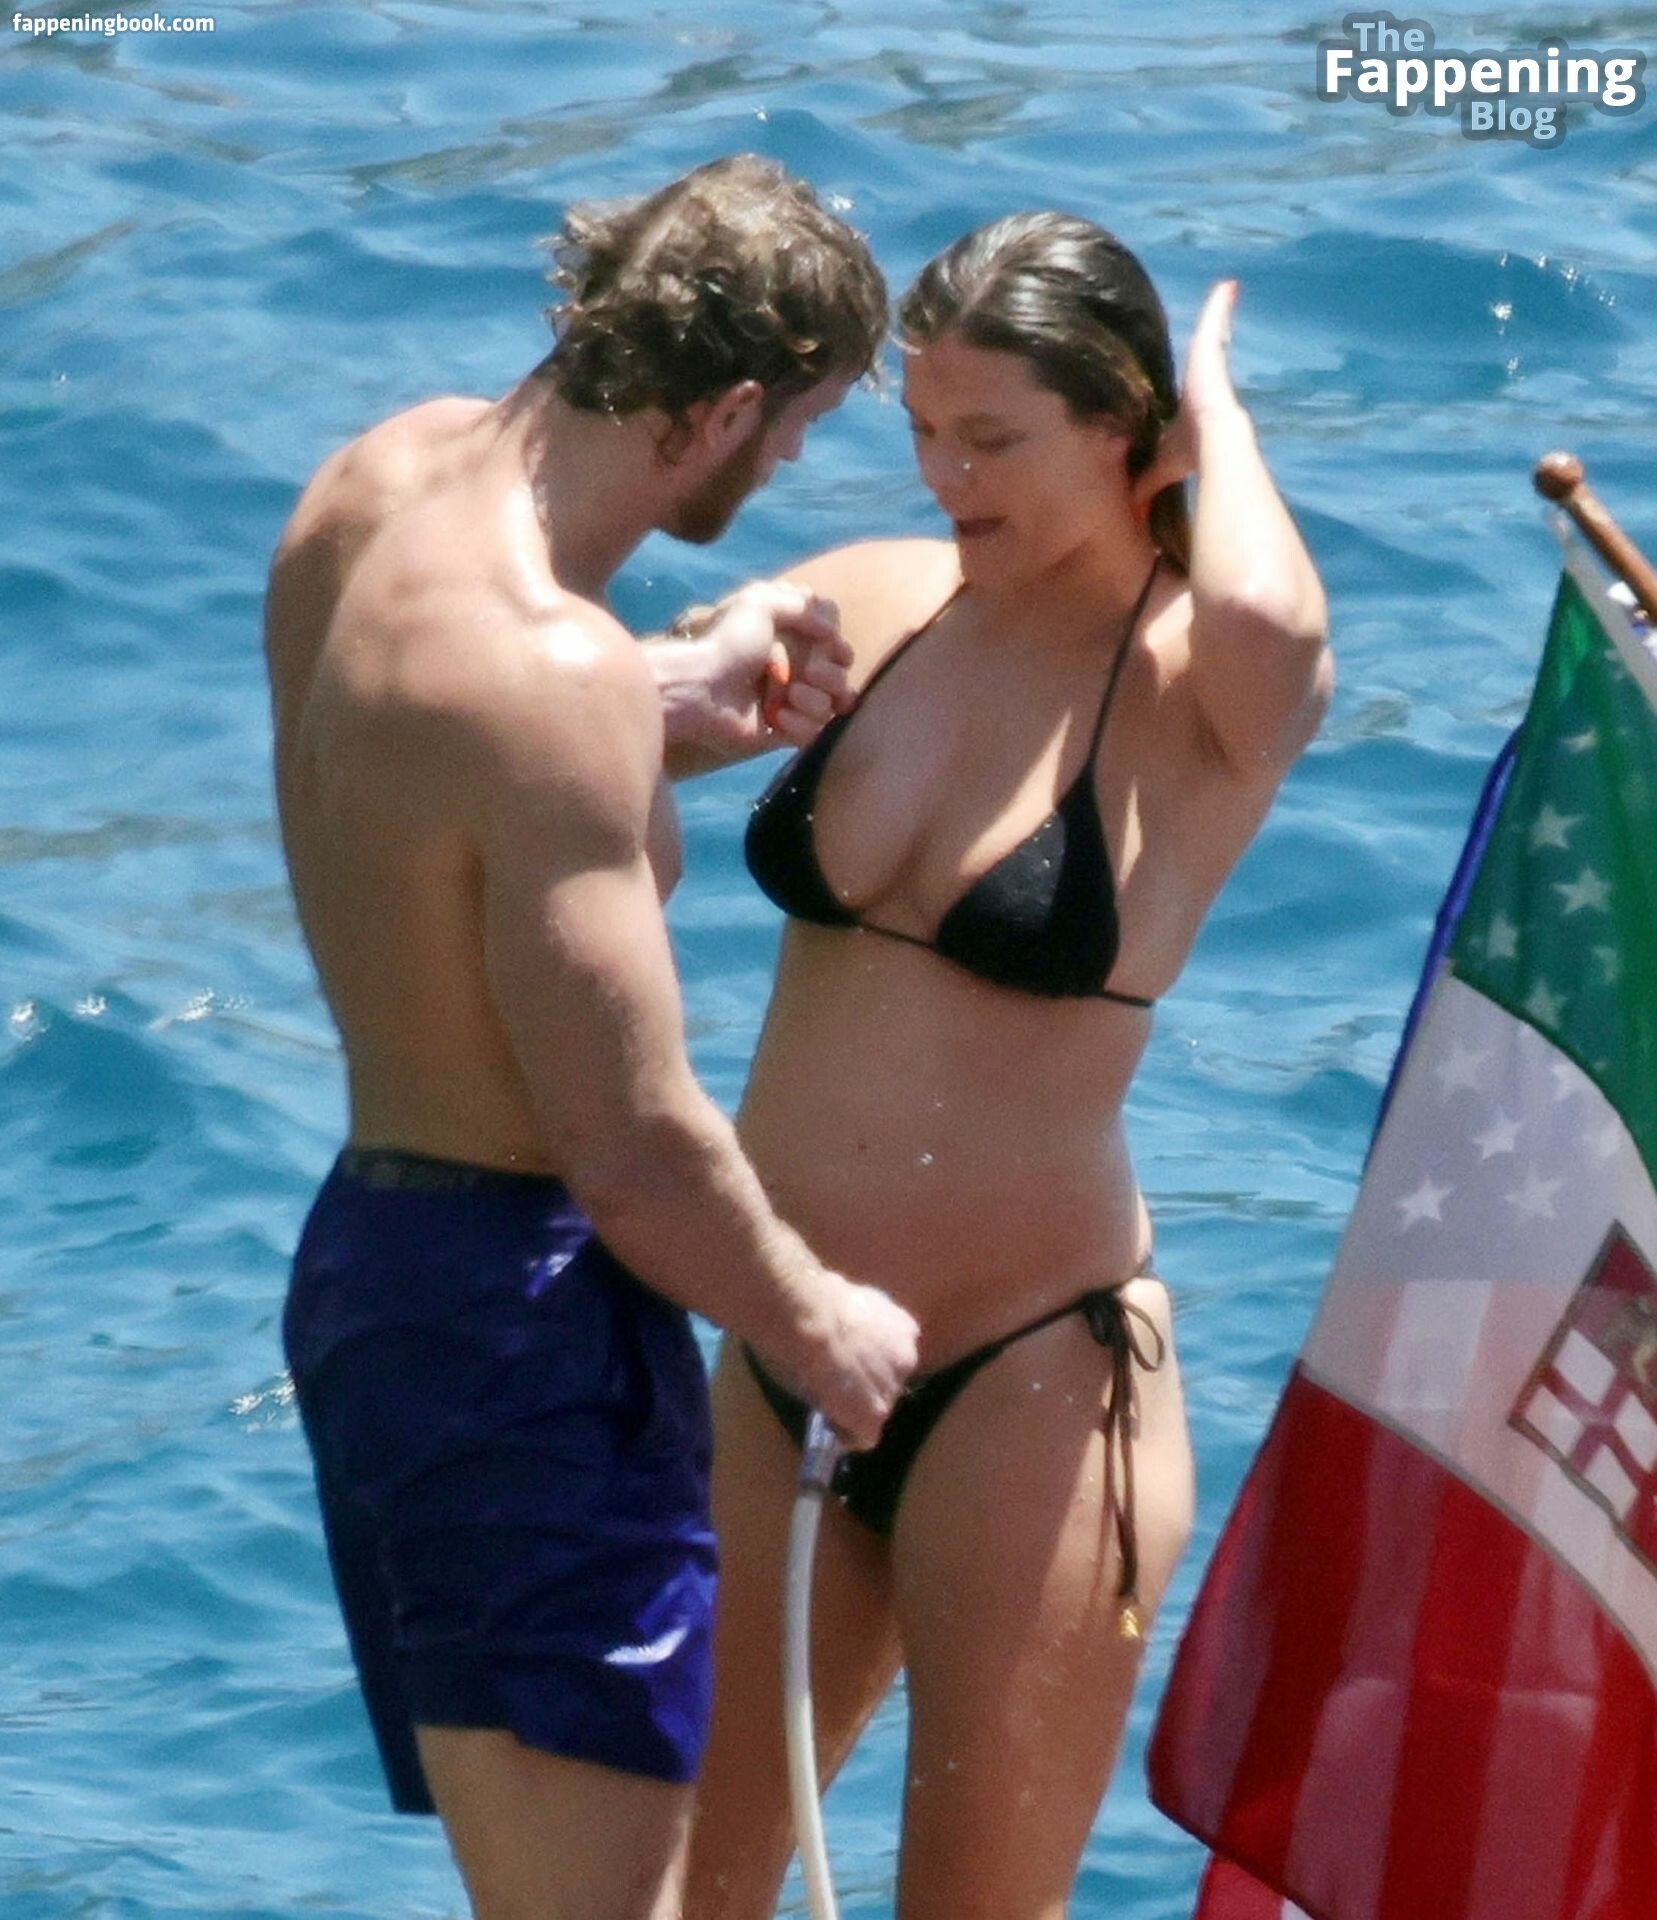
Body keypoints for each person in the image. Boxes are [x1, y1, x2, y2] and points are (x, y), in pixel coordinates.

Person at [266, 154, 920, 1920]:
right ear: (724, 410)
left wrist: (663, 696)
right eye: (795, 430)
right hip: (524, 1324)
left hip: (376, 1270)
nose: (788, 470)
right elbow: (630, 1150)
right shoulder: (552, 682)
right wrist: (819, 1321)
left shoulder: (374, 488)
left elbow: (406, 806)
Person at [681, 212, 1332, 1920]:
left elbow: (1279, 620)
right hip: (781, 1345)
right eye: (920, 429)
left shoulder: (1197, 685)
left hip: (1027, 1381)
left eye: (991, 439)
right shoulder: (887, 600)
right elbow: (615, 722)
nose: (943, 477)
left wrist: (1215, 410)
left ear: (1123, 432)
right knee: (671, 1894)